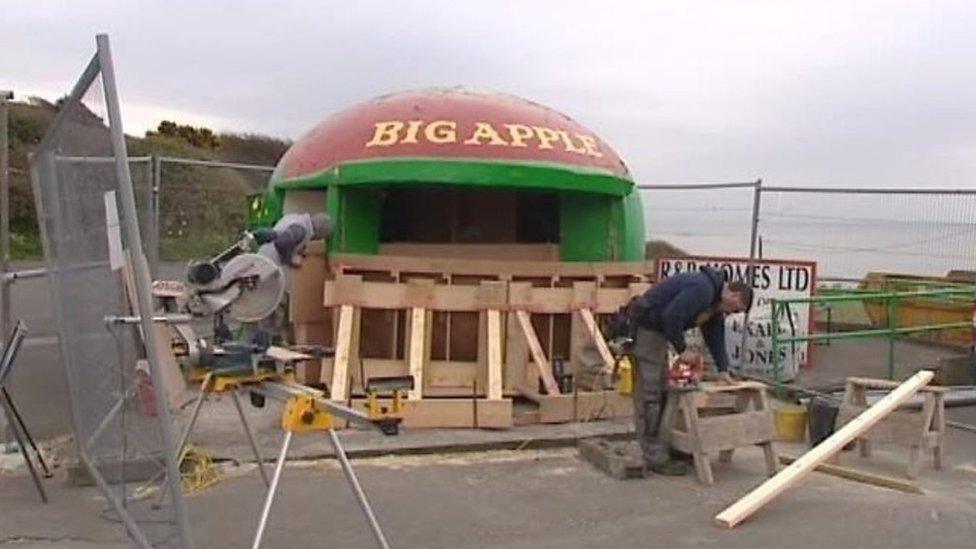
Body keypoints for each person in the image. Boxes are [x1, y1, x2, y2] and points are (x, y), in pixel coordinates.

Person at [620, 267, 752, 476]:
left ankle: (662, 448)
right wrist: (682, 351)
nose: (731, 314)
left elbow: (715, 336)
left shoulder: (714, 303)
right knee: (651, 394)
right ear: (733, 294)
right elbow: (672, 316)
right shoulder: (702, 290)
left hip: (658, 332)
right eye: (735, 309)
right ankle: (654, 457)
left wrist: (723, 370)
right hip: (646, 329)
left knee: (664, 391)